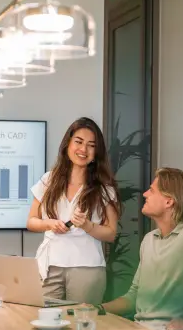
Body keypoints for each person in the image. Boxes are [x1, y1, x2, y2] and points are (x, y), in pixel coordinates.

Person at [97, 167, 183, 330]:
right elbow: (133, 297)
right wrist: (95, 309)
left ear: (169, 201)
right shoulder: (149, 240)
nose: (145, 194)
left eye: (152, 191)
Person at [27, 117, 121, 304]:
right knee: (44, 322)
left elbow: (111, 233)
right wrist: (49, 223)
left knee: (82, 325)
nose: (83, 150)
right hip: (49, 265)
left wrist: (87, 225)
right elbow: (31, 221)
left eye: (91, 145)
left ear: (97, 152)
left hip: (87, 268)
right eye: (78, 142)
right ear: (68, 144)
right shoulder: (49, 180)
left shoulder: (104, 187)